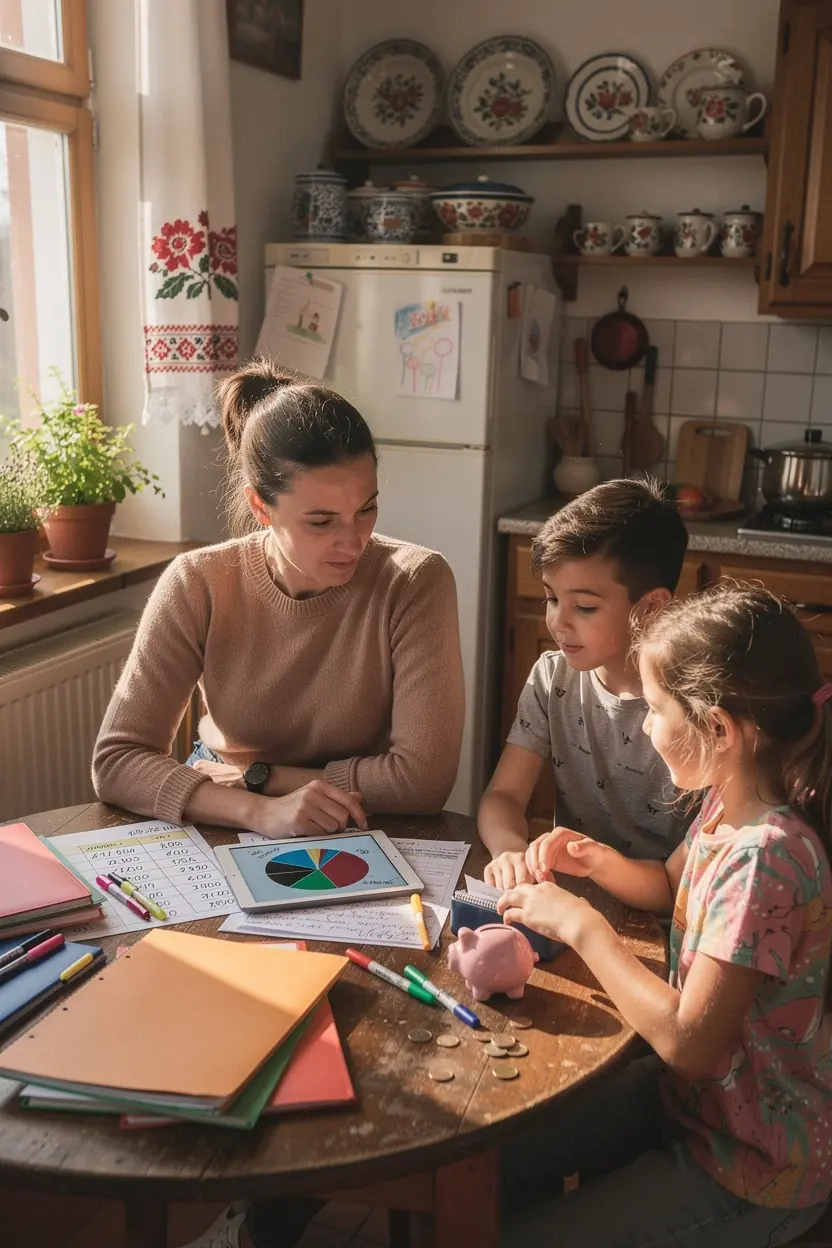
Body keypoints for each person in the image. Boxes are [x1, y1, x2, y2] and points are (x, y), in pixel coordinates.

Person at [496, 583, 832, 1247]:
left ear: (718, 729)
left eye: (654, 710)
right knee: (486, 1159)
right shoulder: (725, 805)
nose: (646, 727)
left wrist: (582, 927)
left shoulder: (767, 857)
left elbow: (687, 1042)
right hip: (696, 1113)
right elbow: (664, 885)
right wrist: (597, 863)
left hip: (753, 1170)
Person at [93, 358, 465, 838]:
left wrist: (261, 779)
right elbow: (117, 760)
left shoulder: (415, 582)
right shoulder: (197, 582)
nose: (354, 541)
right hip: (224, 809)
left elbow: (421, 783)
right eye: (321, 521)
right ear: (260, 507)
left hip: (354, 820)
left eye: (366, 509)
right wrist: (256, 811)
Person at [480, 478, 690, 890]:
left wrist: (597, 867)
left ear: (651, 607)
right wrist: (509, 850)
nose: (558, 622)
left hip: (664, 919)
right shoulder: (551, 677)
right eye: (551, 598)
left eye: (585, 607)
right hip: (573, 898)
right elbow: (503, 796)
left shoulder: (690, 707)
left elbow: (677, 887)